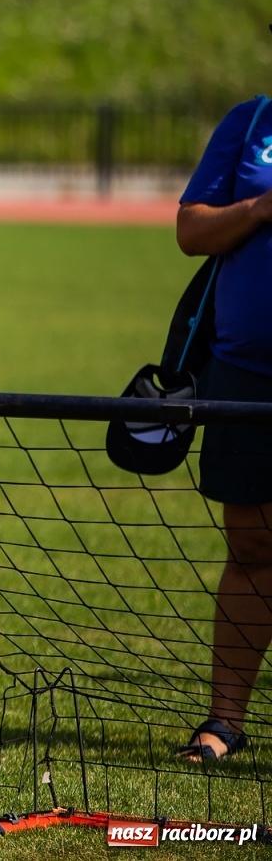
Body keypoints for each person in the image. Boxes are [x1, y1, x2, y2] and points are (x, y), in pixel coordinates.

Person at [174, 93, 272, 762]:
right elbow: (191, 231)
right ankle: (225, 722)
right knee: (254, 549)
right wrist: (262, 208)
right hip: (245, 375)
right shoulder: (252, 122)